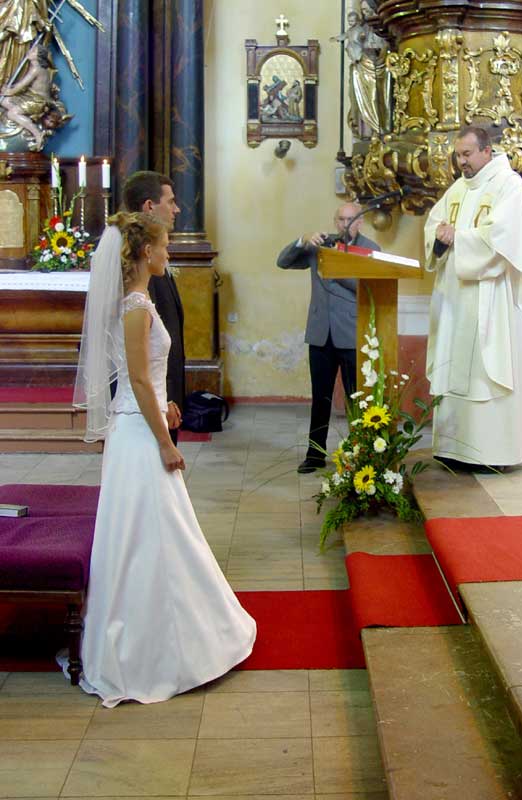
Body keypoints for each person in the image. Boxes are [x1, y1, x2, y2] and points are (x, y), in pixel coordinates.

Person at [69, 212, 256, 707]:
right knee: (147, 535)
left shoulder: (140, 301)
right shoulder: (135, 307)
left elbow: (146, 377)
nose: (169, 252)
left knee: (154, 532)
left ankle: (168, 634)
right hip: (137, 435)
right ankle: (153, 649)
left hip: (139, 422)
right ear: (146, 252)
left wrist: (166, 405)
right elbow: (135, 379)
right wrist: (166, 442)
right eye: (165, 245)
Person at [424, 125, 522, 469]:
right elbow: (434, 224)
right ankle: (454, 449)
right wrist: (439, 236)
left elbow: (503, 238)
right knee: (456, 368)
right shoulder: (459, 188)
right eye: (458, 155)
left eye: (467, 154)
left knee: (485, 373)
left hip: (491, 298)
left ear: (486, 151)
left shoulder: (509, 186)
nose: (461, 162)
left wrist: (458, 238)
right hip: (456, 300)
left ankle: (493, 453)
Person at [277, 203, 380, 473]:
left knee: (356, 399)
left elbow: (369, 288)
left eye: (351, 219)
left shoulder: (371, 249)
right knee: (320, 398)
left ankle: (360, 454)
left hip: (351, 333)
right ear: (335, 221)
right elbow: (283, 262)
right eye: (341, 219)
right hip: (320, 333)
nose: (346, 224)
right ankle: (315, 454)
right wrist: (302, 240)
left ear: (360, 222)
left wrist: (336, 269)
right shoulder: (320, 245)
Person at [123, 171, 185, 444]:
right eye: (170, 201)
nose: (176, 209)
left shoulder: (150, 258)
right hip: (152, 401)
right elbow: (147, 346)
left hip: (161, 394)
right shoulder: (141, 270)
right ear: (150, 206)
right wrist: (166, 397)